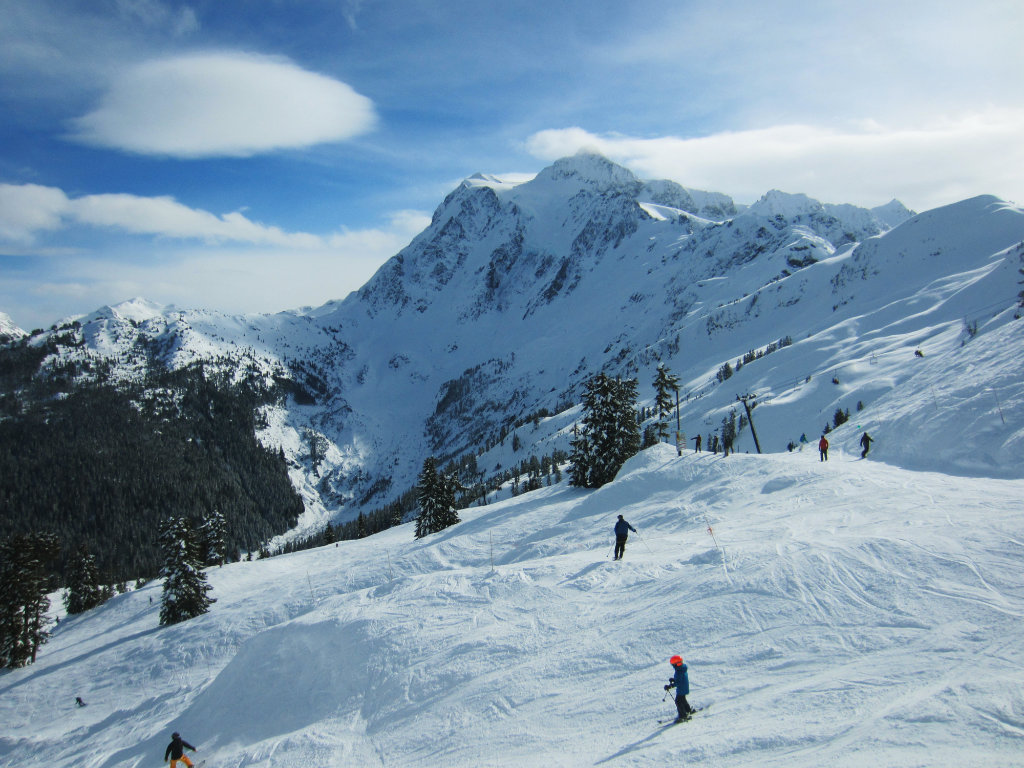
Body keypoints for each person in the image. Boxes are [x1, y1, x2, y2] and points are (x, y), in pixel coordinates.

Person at [664, 655, 694, 722]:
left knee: (678, 701)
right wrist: (674, 679)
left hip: (681, 688)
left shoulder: (679, 671)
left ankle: (683, 715)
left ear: (676, 664)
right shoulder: (682, 668)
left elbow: (678, 682)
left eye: (673, 664)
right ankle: (688, 710)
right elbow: (679, 679)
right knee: (682, 699)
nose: (672, 666)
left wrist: (670, 686)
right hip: (684, 687)